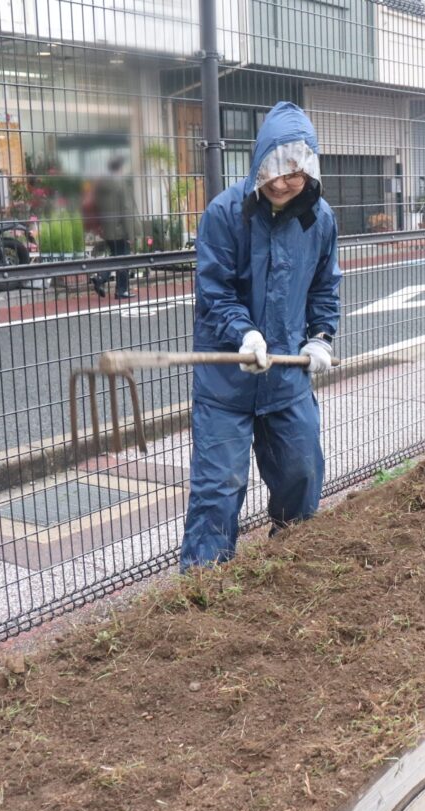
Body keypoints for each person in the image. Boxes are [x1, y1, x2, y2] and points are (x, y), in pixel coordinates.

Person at [180, 101, 341, 569]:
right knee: (219, 487)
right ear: (259, 162)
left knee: (303, 470)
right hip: (226, 380)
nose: (283, 182)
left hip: (285, 378)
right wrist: (244, 334)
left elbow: (324, 287)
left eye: (294, 172)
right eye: (274, 169)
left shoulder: (319, 219)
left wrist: (320, 337)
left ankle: (290, 563)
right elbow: (216, 289)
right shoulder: (225, 213)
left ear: (309, 171)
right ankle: (202, 586)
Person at [89, 155, 138, 299]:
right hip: (120, 229)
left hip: (107, 227)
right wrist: (130, 234)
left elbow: (97, 207)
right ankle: (121, 290)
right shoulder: (121, 184)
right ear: (120, 167)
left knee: (114, 256)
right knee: (123, 258)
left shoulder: (101, 185)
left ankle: (100, 278)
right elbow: (127, 209)